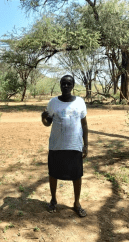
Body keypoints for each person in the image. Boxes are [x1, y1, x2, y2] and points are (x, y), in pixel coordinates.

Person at [41, 74, 88, 217]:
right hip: (56, 145)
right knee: (53, 173)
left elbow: (84, 124)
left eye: (69, 84)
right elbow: (48, 123)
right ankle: (53, 200)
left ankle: (76, 203)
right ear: (60, 85)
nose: (66, 86)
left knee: (77, 175)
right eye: (63, 83)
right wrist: (43, 118)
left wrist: (86, 144)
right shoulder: (53, 102)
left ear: (73, 85)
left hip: (74, 145)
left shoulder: (80, 102)